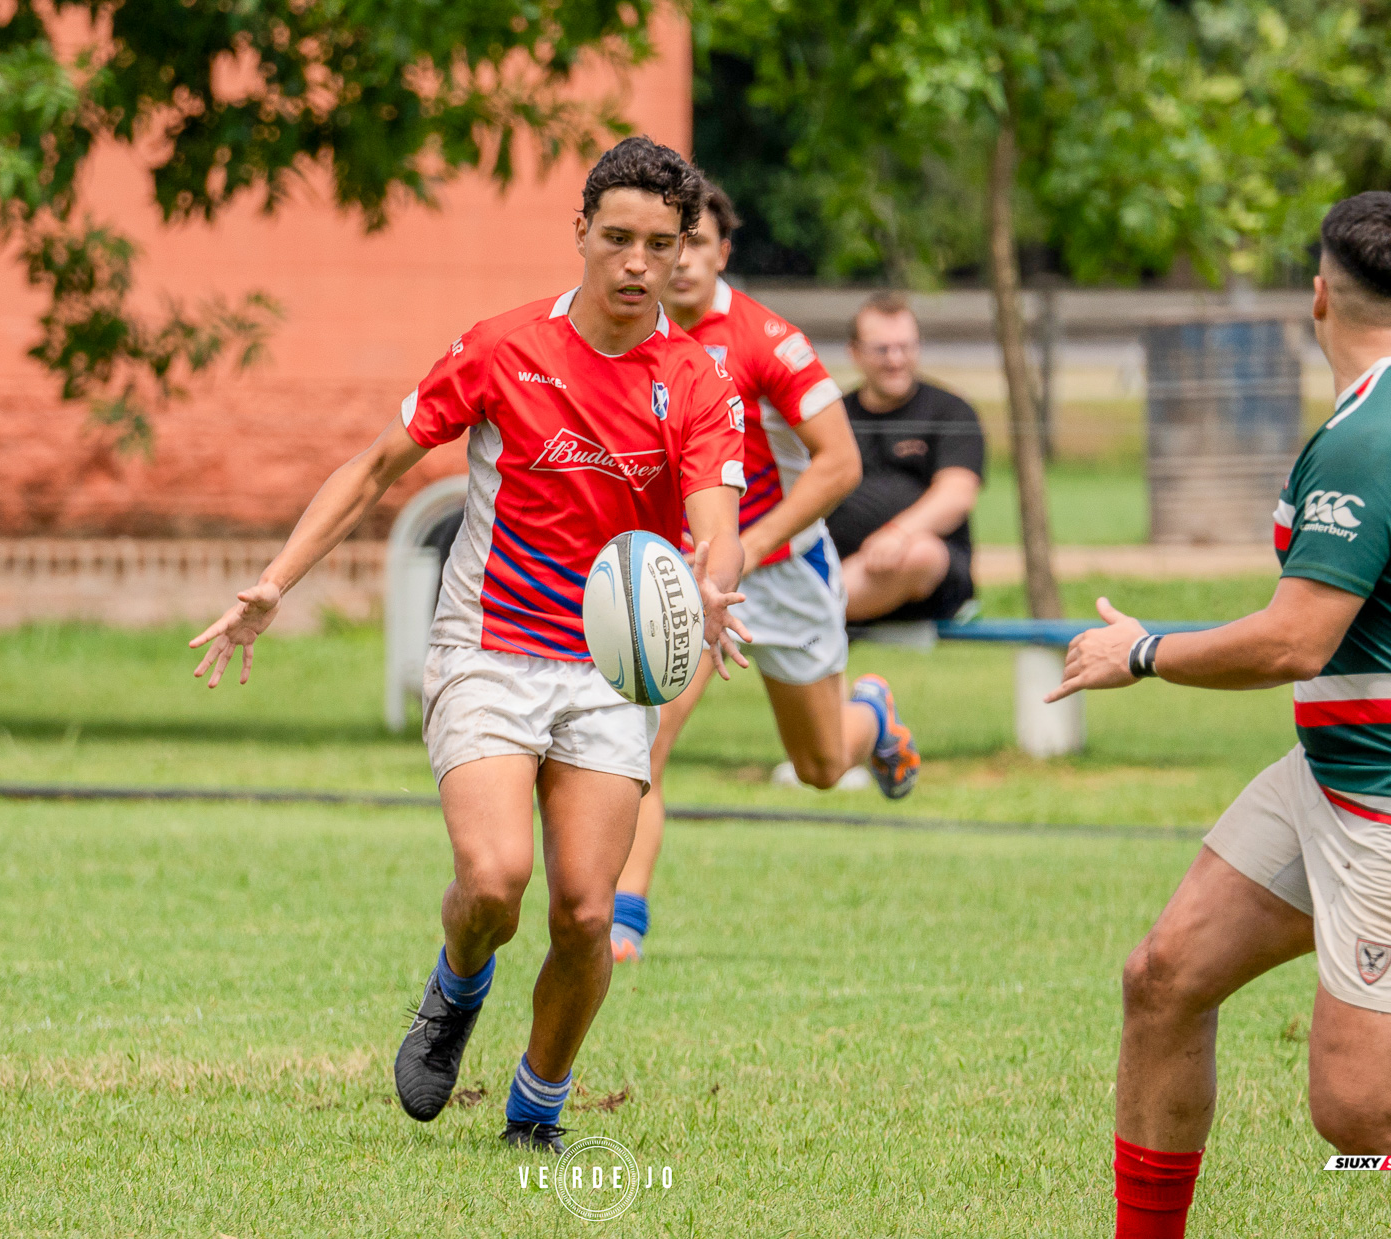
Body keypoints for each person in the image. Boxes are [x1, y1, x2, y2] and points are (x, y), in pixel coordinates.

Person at [188, 137, 753, 1154]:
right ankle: (457, 986)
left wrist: (714, 583)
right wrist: (274, 584)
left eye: (658, 246)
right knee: (494, 881)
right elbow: (373, 468)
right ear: (579, 233)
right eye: (616, 238)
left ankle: (535, 1110)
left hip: (612, 667)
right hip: (488, 647)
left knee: (587, 914)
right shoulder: (502, 350)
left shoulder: (699, 381)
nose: (635, 263)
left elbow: (715, 512)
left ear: (681, 256)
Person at [1050, 192, 1391, 1239]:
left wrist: (1144, 651)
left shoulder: (1377, 433)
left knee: (1367, 1116)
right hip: (1334, 778)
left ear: (1315, 299)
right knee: (1164, 979)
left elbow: (1297, 640)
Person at [606, 181, 922, 964]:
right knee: (643, 740)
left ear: (722, 251)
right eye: (670, 243)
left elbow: (841, 463)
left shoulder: (765, 340)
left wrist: (745, 542)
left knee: (817, 767)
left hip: (779, 574)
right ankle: (622, 924)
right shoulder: (625, 335)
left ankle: (874, 716)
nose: (681, 261)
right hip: (680, 573)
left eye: (699, 244)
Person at [827, 294, 984, 625]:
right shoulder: (833, 418)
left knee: (922, 553)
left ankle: (812, 609)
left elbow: (957, 495)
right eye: (882, 349)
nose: (895, 360)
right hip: (837, 564)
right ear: (854, 352)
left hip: (927, 580)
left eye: (906, 347)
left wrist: (897, 534)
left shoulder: (951, 411)